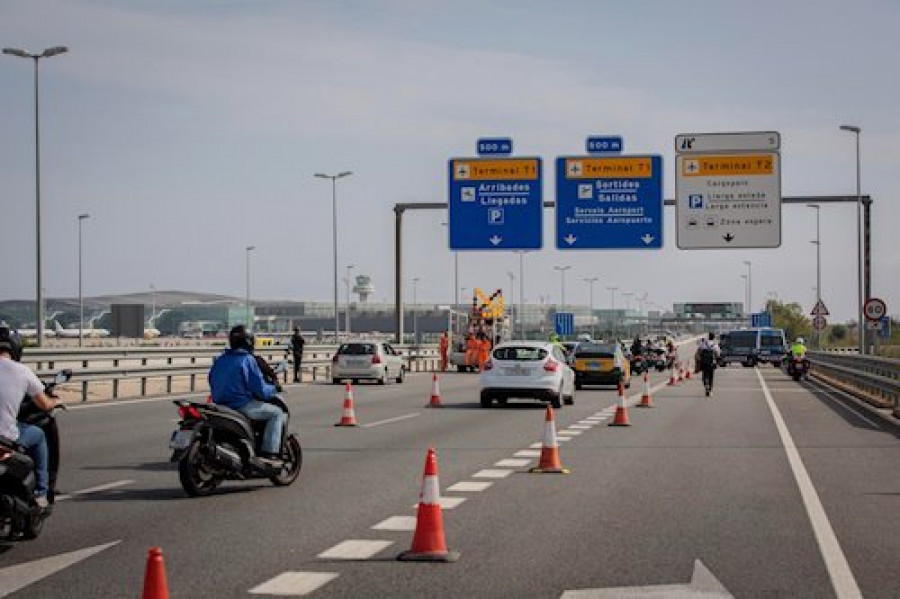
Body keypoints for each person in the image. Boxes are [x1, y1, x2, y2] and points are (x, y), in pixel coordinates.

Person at [208, 326, 284, 465]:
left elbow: (211, 380)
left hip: (219, 405)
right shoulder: (247, 360)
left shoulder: (220, 359)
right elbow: (259, 389)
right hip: (240, 405)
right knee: (277, 413)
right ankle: (270, 454)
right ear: (249, 342)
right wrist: (273, 389)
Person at [0, 327, 58, 508]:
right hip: (6, 437)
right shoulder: (22, 371)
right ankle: (42, 492)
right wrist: (56, 401)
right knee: (39, 435)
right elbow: (45, 404)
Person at [696, 332, 721, 397]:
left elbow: (698, 352)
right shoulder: (715, 345)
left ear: (708, 337)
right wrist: (717, 363)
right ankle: (710, 389)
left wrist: (698, 362)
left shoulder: (703, 344)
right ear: (713, 338)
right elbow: (718, 355)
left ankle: (706, 385)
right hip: (711, 363)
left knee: (704, 376)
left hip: (704, 363)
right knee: (711, 377)